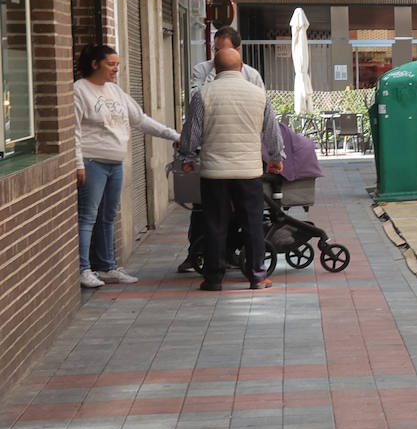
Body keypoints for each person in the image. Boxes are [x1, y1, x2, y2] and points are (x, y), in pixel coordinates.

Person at [73, 44, 182, 289]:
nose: (116, 69)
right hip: (92, 163)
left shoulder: (115, 91)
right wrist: (78, 164)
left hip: (115, 164)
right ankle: (83, 269)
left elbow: (140, 120)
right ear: (95, 64)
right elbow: (74, 131)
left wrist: (173, 135)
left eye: (117, 64)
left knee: (108, 217)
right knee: (88, 217)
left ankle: (107, 267)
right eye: (111, 64)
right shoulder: (80, 91)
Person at [177, 47, 284, 292]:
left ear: (214, 68)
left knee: (215, 224)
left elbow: (191, 133)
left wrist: (187, 157)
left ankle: (213, 278)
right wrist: (276, 158)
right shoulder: (258, 95)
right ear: (242, 66)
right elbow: (272, 132)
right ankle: (258, 276)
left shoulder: (202, 94)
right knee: (253, 224)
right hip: (248, 172)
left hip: (214, 173)